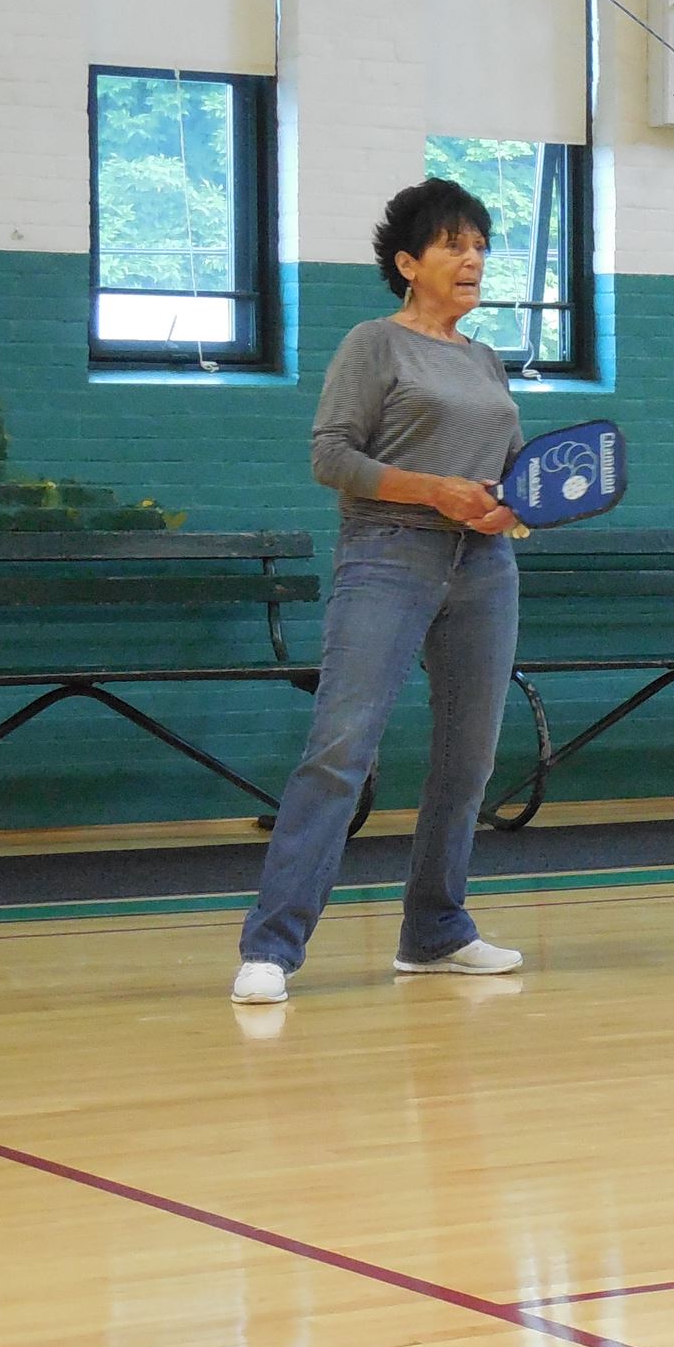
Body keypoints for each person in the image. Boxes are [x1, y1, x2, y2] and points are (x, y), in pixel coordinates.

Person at [229, 179, 530, 1004]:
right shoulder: (375, 344)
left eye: (480, 245)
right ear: (407, 263)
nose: (472, 259)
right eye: (453, 245)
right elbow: (331, 456)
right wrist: (434, 490)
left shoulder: (486, 359)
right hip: (388, 556)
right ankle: (272, 947)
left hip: (484, 569)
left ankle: (436, 932)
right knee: (341, 750)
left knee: (467, 761)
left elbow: (509, 468)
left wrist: (513, 508)